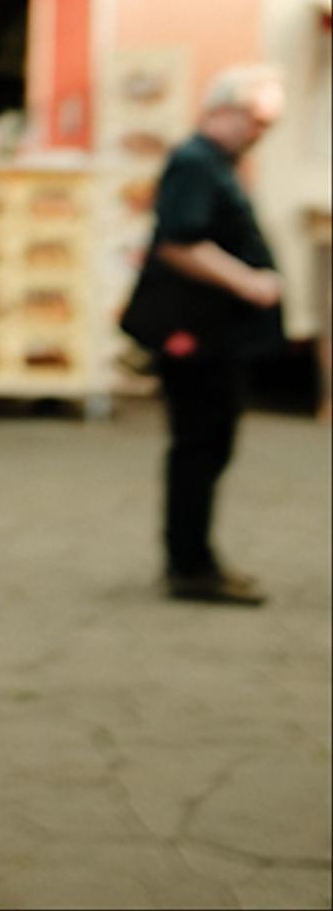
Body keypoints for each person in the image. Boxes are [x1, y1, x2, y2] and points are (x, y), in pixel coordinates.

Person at [121, 65, 286, 607]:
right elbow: (178, 243)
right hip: (195, 333)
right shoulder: (195, 163)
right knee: (200, 445)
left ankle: (196, 557)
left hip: (213, 333)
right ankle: (190, 563)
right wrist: (250, 282)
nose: (263, 132)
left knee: (208, 445)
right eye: (258, 120)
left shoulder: (213, 162)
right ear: (224, 108)